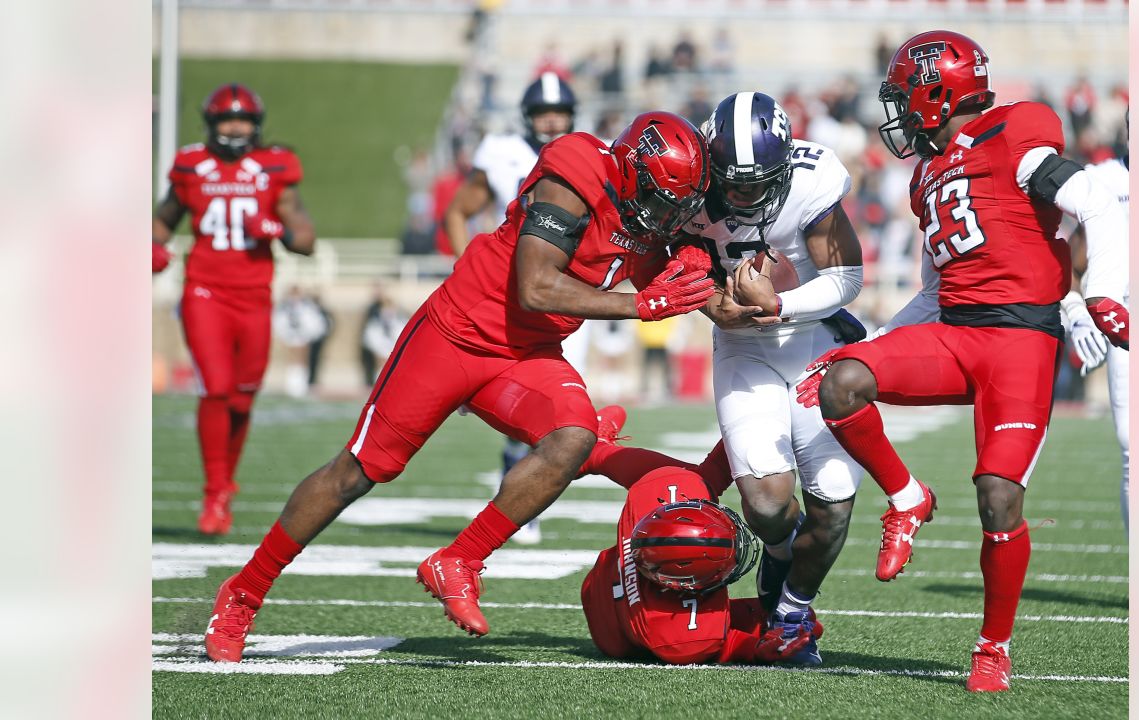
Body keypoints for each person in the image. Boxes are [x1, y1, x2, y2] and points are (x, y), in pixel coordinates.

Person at [204, 111, 717, 662]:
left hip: (527, 354)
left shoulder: (645, 217)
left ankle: (461, 559)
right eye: (662, 200)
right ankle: (243, 592)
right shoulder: (575, 172)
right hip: (457, 333)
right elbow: (536, 288)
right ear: (629, 169)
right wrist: (641, 305)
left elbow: (688, 293)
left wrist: (743, 301)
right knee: (356, 472)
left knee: (570, 438)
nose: (668, 216)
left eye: (677, 205)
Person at [795, 31, 1129, 691]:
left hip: (1020, 344)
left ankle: (992, 648)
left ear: (937, 90)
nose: (897, 112)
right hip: (955, 332)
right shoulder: (928, 172)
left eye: (904, 96)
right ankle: (908, 497)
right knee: (843, 382)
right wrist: (872, 344)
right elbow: (934, 290)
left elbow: (1090, 199)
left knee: (998, 496)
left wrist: (1102, 295)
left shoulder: (1015, 130)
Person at [679, 91, 867, 664]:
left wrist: (779, 305)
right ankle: (782, 556)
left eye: (757, 182)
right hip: (743, 344)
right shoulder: (687, 186)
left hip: (814, 339)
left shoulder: (812, 180)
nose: (743, 195)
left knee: (833, 504)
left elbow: (848, 276)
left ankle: (791, 610)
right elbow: (671, 265)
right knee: (763, 504)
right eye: (732, 184)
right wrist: (710, 303)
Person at [153, 82, 316, 536]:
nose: (235, 128)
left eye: (242, 120)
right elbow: (164, 219)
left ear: (256, 125)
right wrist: (151, 246)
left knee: (243, 396)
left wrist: (276, 230)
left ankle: (226, 483)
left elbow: (306, 237)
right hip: (204, 289)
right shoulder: (191, 164)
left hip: (254, 295)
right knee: (217, 387)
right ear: (212, 125)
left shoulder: (274, 165)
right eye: (227, 120)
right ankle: (214, 491)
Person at [443, 72, 581, 545]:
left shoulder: (588, 154)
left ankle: (519, 498)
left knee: (555, 411)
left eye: (559, 112)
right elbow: (459, 210)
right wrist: (468, 268)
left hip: (563, 296)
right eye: (544, 112)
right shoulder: (501, 152)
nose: (551, 121)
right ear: (526, 115)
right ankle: (516, 502)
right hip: (507, 293)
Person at [578, 407, 821, 665]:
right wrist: (758, 650)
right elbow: (724, 646)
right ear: (687, 585)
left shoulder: (650, 500)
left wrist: (758, 426)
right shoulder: (679, 636)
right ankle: (596, 453)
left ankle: (595, 453)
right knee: (800, 622)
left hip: (608, 583)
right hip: (614, 635)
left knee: (689, 480)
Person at [1060, 120, 1129, 533]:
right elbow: (1071, 259)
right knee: (1133, 450)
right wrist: (1076, 311)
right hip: (1127, 322)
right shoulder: (1102, 180)